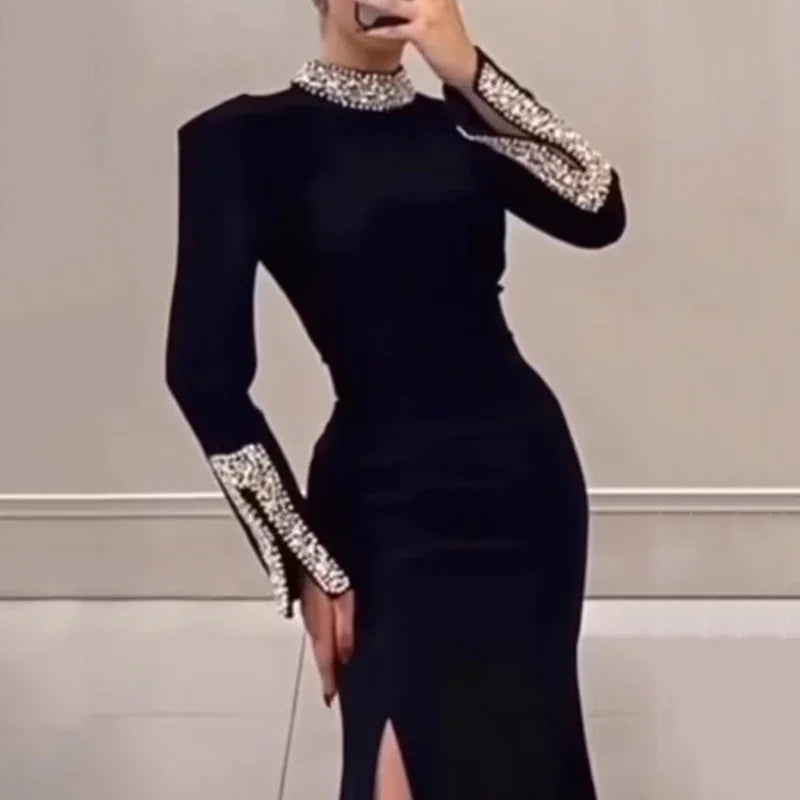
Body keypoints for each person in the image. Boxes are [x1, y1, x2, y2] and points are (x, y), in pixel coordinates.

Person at [164, 0, 626, 796]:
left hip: (523, 485)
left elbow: (597, 208)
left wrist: (469, 70)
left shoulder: (462, 123)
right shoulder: (241, 140)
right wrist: (305, 557)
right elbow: (202, 375)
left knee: (527, 757)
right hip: (383, 498)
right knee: (395, 769)